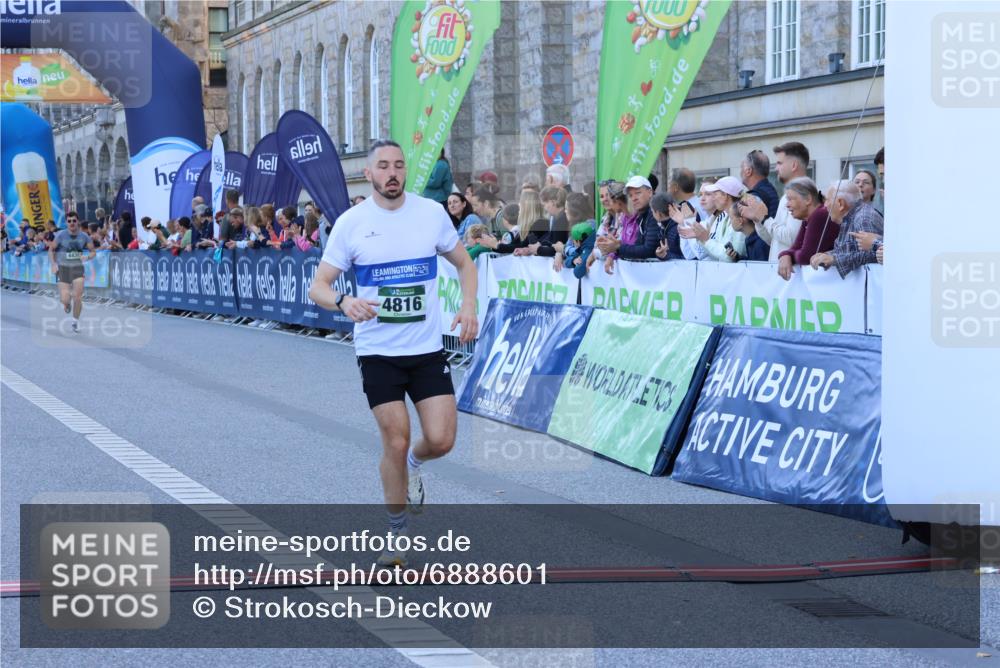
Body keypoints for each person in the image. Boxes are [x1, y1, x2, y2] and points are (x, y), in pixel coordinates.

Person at [309, 139, 478, 568]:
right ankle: (396, 536)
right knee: (396, 440)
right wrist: (345, 302)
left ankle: (417, 466)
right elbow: (319, 286)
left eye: (399, 165)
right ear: (368, 174)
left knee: (440, 440)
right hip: (378, 352)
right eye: (383, 166)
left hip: (425, 349)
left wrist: (468, 306)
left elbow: (465, 264)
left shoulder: (430, 214)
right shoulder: (351, 223)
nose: (392, 173)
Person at [745, 142, 810, 261]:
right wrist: (758, 220)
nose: (776, 168)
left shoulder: (803, 193)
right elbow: (773, 240)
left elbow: (791, 238)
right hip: (780, 272)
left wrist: (765, 219)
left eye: (780, 163)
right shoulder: (787, 195)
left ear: (794, 165)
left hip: (792, 274)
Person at [810, 180, 884, 277]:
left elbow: (873, 256)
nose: (825, 205)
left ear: (840, 203)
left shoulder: (863, 218)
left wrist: (834, 259)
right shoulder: (849, 217)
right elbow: (845, 251)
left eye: (827, 200)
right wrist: (827, 255)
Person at [776, 177, 835, 280]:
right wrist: (785, 254)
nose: (787, 205)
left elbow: (806, 256)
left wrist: (788, 256)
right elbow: (796, 247)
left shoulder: (820, 214)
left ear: (808, 199)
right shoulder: (809, 218)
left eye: (790, 199)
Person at [678, 175, 747, 262]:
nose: (713, 198)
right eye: (701, 194)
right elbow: (711, 255)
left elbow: (730, 258)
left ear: (725, 195)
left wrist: (705, 240)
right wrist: (701, 238)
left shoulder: (741, 219)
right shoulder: (722, 219)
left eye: (715, 194)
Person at [49, 211, 96, 333]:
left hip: (77, 269)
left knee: (77, 297)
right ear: (66, 222)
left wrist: (87, 257)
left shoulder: (85, 236)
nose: (72, 223)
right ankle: (67, 304)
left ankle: (75, 322)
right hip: (63, 269)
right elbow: (51, 249)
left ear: (78, 221)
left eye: (74, 220)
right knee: (65, 299)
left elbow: (93, 251)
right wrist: (53, 264)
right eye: (69, 221)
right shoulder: (60, 235)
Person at [595, 175, 658, 262]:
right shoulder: (642, 215)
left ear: (650, 192)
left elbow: (648, 250)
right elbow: (637, 246)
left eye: (638, 193)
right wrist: (615, 248)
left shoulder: (655, 212)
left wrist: (617, 248)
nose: (634, 198)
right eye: (631, 195)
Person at [553, 192, 597, 273]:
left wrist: (562, 249)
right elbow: (569, 250)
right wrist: (559, 253)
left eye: (566, 209)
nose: (565, 211)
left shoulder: (590, 225)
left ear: (574, 211)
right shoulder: (575, 227)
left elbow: (581, 252)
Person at [727, 197, 770, 261]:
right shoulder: (751, 239)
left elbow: (761, 269)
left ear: (740, 221)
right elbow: (753, 262)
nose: (730, 222)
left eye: (731, 218)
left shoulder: (760, 244)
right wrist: (738, 258)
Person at [740, 149, 779, 219]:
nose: (740, 172)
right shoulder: (769, 189)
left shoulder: (754, 196)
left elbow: (740, 222)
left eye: (742, 167)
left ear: (748, 171)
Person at [648, 193, 684, 261]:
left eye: (652, 211)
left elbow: (688, 259)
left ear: (658, 213)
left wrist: (665, 255)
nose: (652, 215)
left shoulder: (678, 228)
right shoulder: (666, 226)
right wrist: (662, 255)